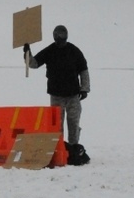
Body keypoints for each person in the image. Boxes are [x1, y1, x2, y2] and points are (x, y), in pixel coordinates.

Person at [24, 25, 90, 156]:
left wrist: (84, 89)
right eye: (58, 35)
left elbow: (84, 70)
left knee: (73, 123)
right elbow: (34, 64)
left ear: (66, 36)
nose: (60, 38)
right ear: (54, 36)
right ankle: (58, 150)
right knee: (56, 125)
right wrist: (27, 53)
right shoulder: (49, 51)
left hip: (73, 95)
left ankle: (73, 149)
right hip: (56, 95)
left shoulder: (74, 51)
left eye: (62, 35)